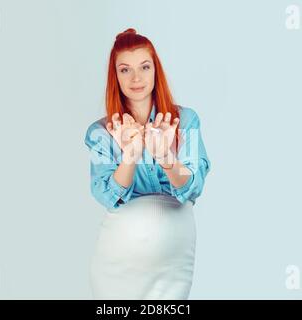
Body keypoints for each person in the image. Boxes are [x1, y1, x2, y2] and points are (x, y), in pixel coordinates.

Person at [84, 28, 211, 299]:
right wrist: (130, 154)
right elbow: (106, 194)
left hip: (173, 264)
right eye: (125, 70)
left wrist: (166, 157)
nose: (136, 78)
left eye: (144, 66)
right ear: (115, 76)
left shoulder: (185, 122)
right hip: (117, 265)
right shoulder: (100, 133)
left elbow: (193, 187)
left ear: (156, 70)